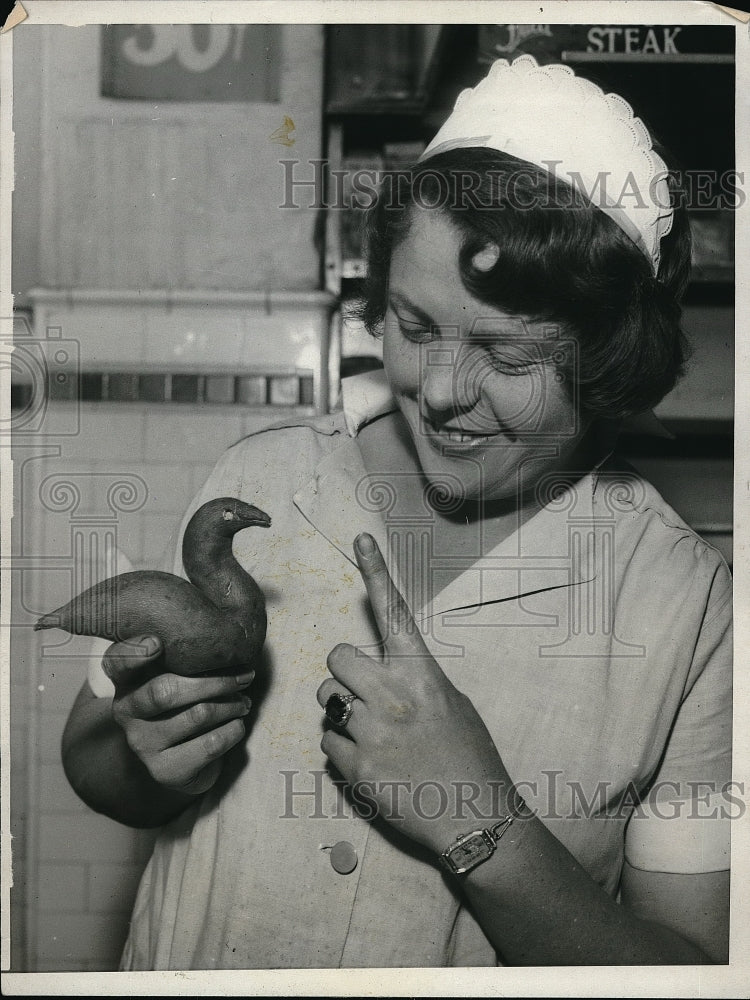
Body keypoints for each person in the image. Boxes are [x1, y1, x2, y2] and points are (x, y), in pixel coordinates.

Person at [61, 56, 731, 968]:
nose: (442, 391)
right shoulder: (266, 481)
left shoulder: (691, 616)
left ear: (608, 360)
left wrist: (482, 824)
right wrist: (142, 753)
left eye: (507, 354)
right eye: (414, 327)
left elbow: (691, 973)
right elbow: (96, 758)